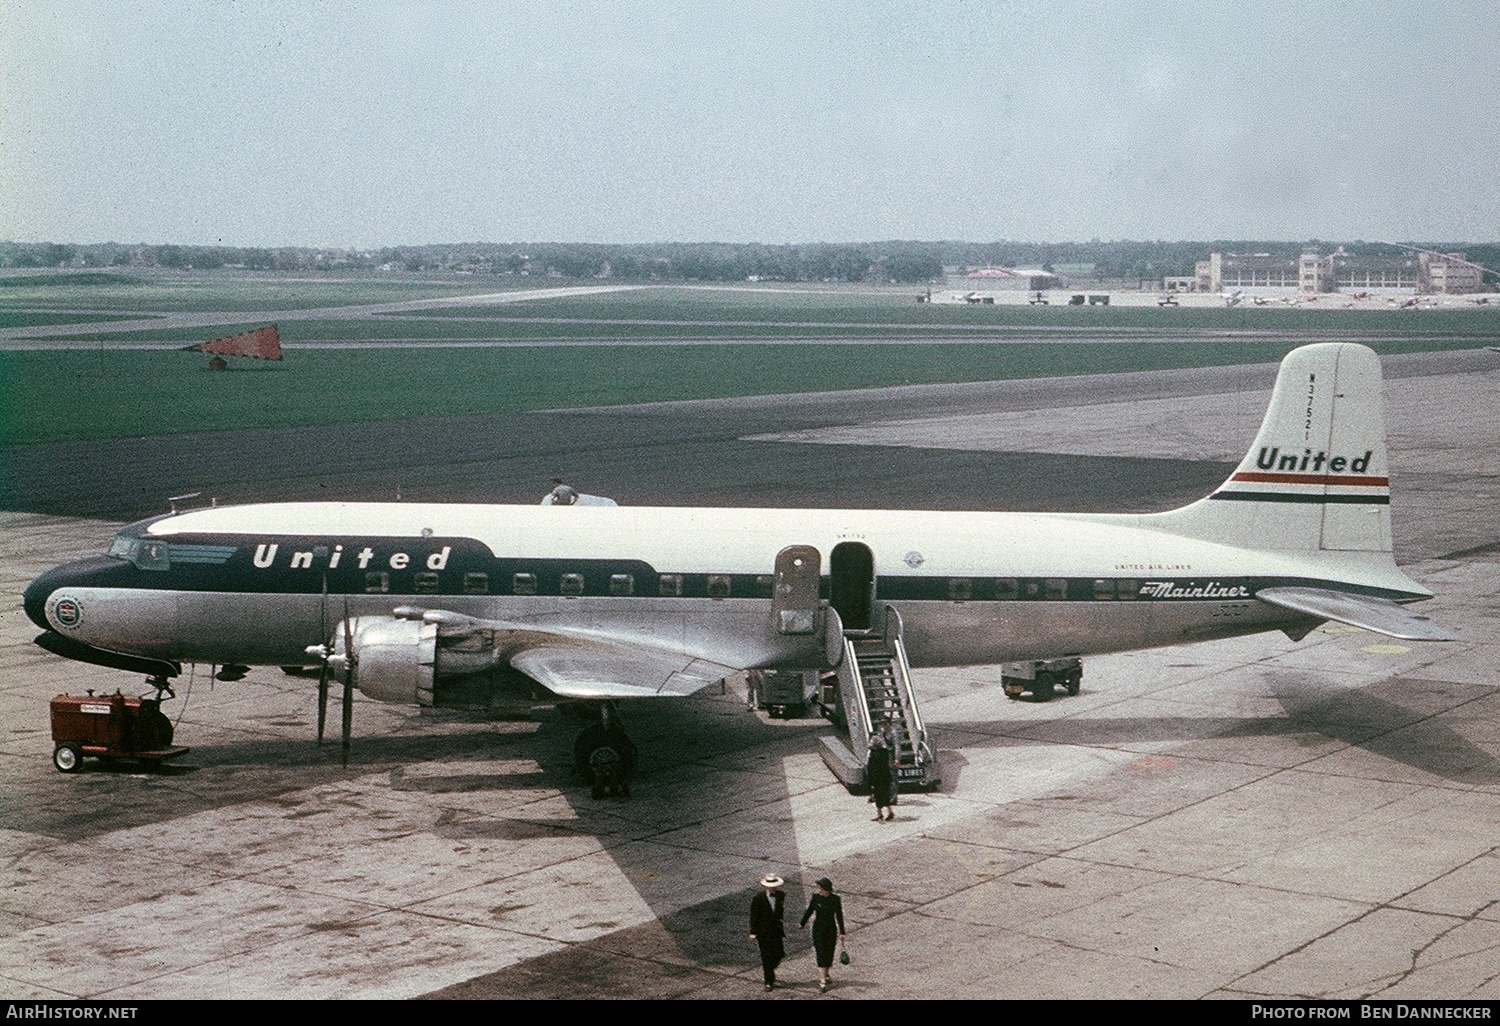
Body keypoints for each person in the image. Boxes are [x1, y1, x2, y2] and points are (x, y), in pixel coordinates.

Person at [799, 877, 846, 992]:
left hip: (830, 930)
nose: (819, 890)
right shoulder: (815, 898)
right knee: (821, 953)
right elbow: (809, 911)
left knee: (829, 953)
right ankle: (822, 982)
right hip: (818, 930)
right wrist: (802, 923)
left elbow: (839, 916)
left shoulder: (835, 899)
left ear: (827, 890)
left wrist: (842, 932)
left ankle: (826, 973)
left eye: (821, 888)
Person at [748, 873, 786, 991]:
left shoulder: (781, 895)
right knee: (766, 956)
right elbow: (754, 916)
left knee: (779, 953)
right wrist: (753, 932)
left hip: (776, 931)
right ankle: (768, 980)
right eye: (771, 886)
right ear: (766, 886)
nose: (773, 888)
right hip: (763, 932)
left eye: (774, 886)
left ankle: (770, 968)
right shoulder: (758, 898)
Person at [866, 732, 895, 822]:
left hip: (878, 778)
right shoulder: (884, 752)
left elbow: (872, 768)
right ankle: (890, 812)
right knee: (885, 794)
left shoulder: (874, 755)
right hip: (886, 776)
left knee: (878, 796)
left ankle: (880, 814)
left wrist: (871, 782)